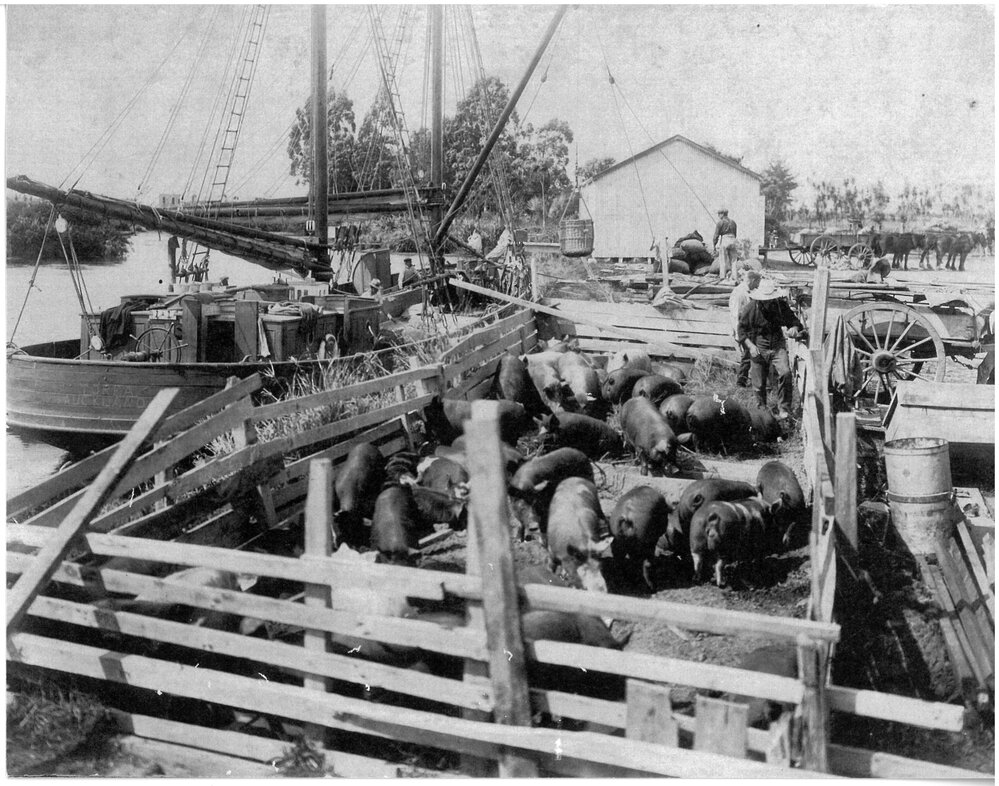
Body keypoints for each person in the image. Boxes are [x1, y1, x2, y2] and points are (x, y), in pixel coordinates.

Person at [737, 277, 806, 419]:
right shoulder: (751, 308)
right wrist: (751, 346)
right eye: (765, 300)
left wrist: (794, 328)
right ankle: (762, 409)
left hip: (777, 343)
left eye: (769, 300)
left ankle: (784, 409)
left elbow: (794, 321)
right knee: (758, 382)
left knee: (785, 373)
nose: (767, 303)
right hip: (758, 343)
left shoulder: (780, 305)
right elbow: (741, 331)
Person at [728, 268, 762, 387]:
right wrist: (739, 333)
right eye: (757, 282)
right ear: (752, 280)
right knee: (747, 356)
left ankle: (745, 380)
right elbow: (735, 314)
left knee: (748, 355)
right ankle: (741, 382)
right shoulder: (739, 293)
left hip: (749, 328)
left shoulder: (747, 291)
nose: (758, 285)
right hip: (743, 329)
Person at [712, 208, 738, 281]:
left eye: (719, 214)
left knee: (722, 259)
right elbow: (735, 234)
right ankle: (735, 277)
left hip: (725, 239)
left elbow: (716, 236)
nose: (718, 216)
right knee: (734, 260)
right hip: (733, 239)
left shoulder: (720, 223)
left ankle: (722, 277)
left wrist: (714, 245)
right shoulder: (733, 222)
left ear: (722, 214)